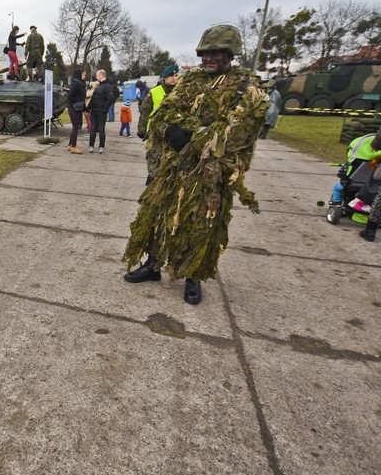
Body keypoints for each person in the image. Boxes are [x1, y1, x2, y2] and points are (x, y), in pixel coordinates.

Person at [122, 24, 268, 305]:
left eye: (217, 53)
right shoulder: (190, 82)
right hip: (174, 167)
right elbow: (165, 114)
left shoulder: (246, 89)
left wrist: (191, 135)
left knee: (201, 224)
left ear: (230, 54)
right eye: (206, 53)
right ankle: (152, 266)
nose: (210, 58)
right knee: (156, 215)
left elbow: (237, 134)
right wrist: (171, 131)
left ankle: (193, 277)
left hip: (211, 173)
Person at [137, 64, 180, 184]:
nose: (174, 78)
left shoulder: (181, 91)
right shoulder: (154, 92)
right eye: (171, 76)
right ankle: (152, 178)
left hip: (175, 132)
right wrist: (141, 129)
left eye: (176, 75)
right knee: (154, 156)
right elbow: (145, 111)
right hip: (156, 132)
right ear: (164, 78)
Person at [330, 128, 381, 211]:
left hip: (354, 184)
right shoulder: (377, 162)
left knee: (338, 187)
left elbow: (343, 175)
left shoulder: (356, 162)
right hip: (372, 188)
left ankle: (336, 203)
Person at [87, 69, 116, 154]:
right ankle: (91, 145)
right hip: (94, 111)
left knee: (101, 129)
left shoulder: (107, 86)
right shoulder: (98, 86)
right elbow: (93, 99)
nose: (96, 77)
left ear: (101, 76)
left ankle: (101, 146)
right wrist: (88, 108)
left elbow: (110, 99)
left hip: (101, 111)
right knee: (93, 128)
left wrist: (105, 109)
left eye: (97, 75)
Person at [67, 68, 86, 154]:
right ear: (79, 74)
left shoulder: (81, 84)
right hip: (73, 107)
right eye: (83, 75)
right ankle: (73, 147)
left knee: (75, 126)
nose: (84, 76)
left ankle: (70, 144)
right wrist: (77, 102)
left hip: (78, 107)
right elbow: (70, 95)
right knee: (75, 127)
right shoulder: (75, 84)